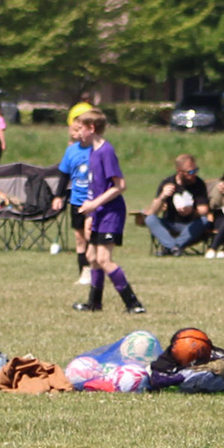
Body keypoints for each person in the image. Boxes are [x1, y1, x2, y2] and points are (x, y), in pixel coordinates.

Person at [71, 110, 144, 313]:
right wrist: (90, 216)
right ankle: (94, 303)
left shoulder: (106, 151)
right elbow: (95, 188)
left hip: (111, 212)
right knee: (92, 257)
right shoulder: (93, 152)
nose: (78, 133)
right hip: (99, 213)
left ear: (92, 128)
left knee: (103, 259)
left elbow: (120, 186)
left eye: (81, 129)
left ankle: (133, 304)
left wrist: (94, 205)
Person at [145, 153, 211, 255]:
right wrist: (162, 196)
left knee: (204, 221)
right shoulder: (167, 183)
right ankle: (174, 247)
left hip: (189, 225)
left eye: (195, 170)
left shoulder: (198, 184)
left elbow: (204, 209)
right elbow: (152, 211)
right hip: (170, 223)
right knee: (150, 219)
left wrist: (191, 212)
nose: (194, 174)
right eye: (190, 172)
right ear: (179, 171)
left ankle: (170, 248)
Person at [54, 120, 94, 284]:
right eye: (75, 130)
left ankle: (94, 270)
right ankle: (83, 272)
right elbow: (64, 175)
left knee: (90, 234)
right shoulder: (71, 151)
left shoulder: (97, 149)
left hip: (94, 200)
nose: (77, 133)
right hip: (77, 199)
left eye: (80, 129)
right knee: (79, 237)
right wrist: (58, 196)